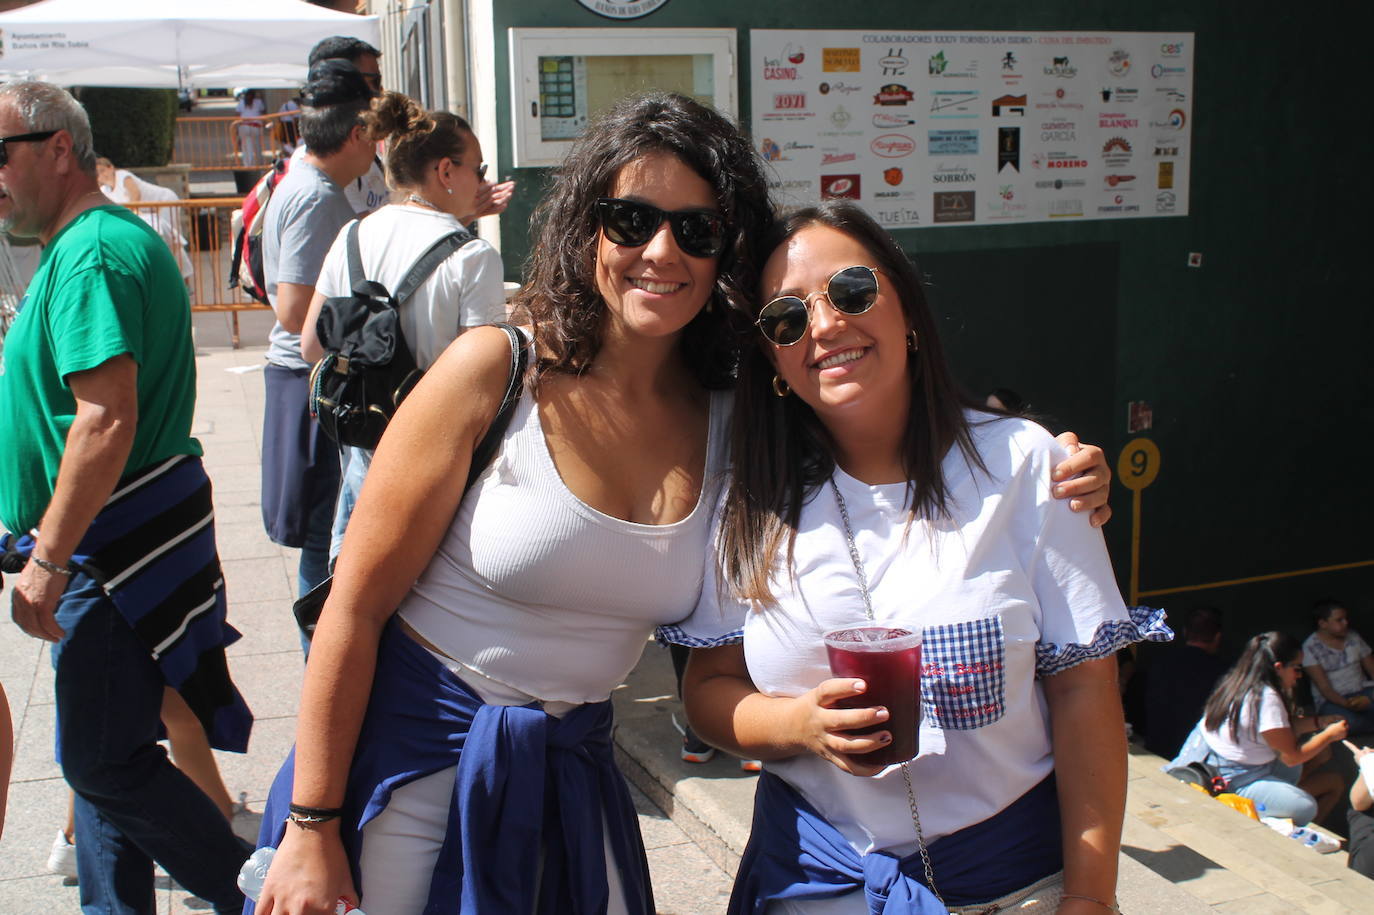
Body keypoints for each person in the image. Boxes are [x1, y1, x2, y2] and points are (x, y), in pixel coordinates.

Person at [248, 94, 1113, 915]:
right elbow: (351, 608)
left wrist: (1047, 462)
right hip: (415, 756)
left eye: (695, 230)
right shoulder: (493, 371)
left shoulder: (733, 425)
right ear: (589, 226)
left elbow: (878, 429)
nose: (661, 252)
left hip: (570, 776)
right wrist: (312, 823)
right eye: (632, 220)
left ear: (722, 259)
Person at [676, 200, 1158, 914]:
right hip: (814, 884)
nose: (827, 325)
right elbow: (708, 687)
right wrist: (798, 724)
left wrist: (1090, 894)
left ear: (905, 309)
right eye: (787, 317)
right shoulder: (746, 498)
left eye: (852, 292)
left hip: (1013, 888)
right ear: (775, 359)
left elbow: (1086, 690)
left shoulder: (1028, 464)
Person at [0, 79, 251, 914]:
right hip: (113, 547)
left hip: (110, 551)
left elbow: (105, 419)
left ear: (56, 147)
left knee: (104, 761)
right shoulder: (90, 245)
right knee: (107, 753)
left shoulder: (92, 254)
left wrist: (47, 556)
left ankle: (264, 895)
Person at [298, 92, 508, 561]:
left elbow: (311, 344)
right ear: (446, 171)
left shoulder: (353, 234)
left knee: (349, 580)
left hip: (362, 444)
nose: (482, 179)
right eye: (478, 167)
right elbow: (485, 379)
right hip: (436, 459)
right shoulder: (472, 256)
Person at [259, 59, 378, 607]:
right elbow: (293, 310)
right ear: (358, 133)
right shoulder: (316, 196)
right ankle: (322, 663)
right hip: (310, 382)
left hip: (302, 378)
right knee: (322, 542)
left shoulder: (303, 181)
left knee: (324, 538)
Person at [1190, 631, 1348, 825]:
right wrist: (1329, 735)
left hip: (1208, 757)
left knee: (1302, 761)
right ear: (1279, 668)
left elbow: (1278, 729)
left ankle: (1275, 799)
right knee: (1305, 807)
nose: (1299, 676)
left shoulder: (1239, 680)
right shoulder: (1267, 698)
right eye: (1297, 669)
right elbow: (1291, 757)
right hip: (1229, 778)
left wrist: (1319, 723)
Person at [1143, 606, 1229, 759]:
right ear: (1217, 637)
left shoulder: (1161, 663)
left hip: (1157, 749)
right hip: (1198, 755)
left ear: (1184, 632)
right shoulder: (1224, 673)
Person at [95, 155, 194, 285]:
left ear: (111, 168)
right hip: (147, 214)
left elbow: (135, 194)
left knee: (168, 239)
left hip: (164, 202)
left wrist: (131, 213)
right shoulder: (105, 191)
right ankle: (176, 277)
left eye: (103, 170)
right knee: (167, 240)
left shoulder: (122, 176)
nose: (102, 175)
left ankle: (181, 278)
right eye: (98, 173)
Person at [1302, 598, 1374, 733]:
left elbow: (1372, 668)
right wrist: (1348, 704)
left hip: (1363, 692)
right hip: (1333, 701)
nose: (1345, 623)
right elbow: (1325, 688)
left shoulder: (1353, 637)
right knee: (1348, 722)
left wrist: (1368, 699)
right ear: (1323, 623)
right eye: (1339, 620)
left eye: (1345, 618)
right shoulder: (1310, 647)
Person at [236, 89, 268, 168]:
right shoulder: (258, 102)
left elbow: (238, 115)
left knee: (246, 147)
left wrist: (237, 128)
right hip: (256, 126)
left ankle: (248, 164)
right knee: (257, 146)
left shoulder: (241, 102)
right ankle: (258, 163)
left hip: (244, 126)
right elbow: (263, 111)